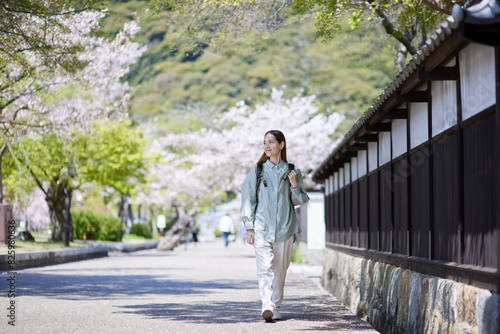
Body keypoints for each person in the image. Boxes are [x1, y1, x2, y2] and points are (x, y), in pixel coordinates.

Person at [241, 129, 309, 322]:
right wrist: (249, 227)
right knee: (264, 268)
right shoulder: (258, 170)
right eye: (264, 143)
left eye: (271, 142)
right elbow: (248, 199)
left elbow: (300, 200)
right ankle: (267, 304)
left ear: (281, 144)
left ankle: (275, 305)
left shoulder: (292, 170)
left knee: (280, 269)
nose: (267, 146)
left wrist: (294, 184)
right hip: (262, 227)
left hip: (286, 228)